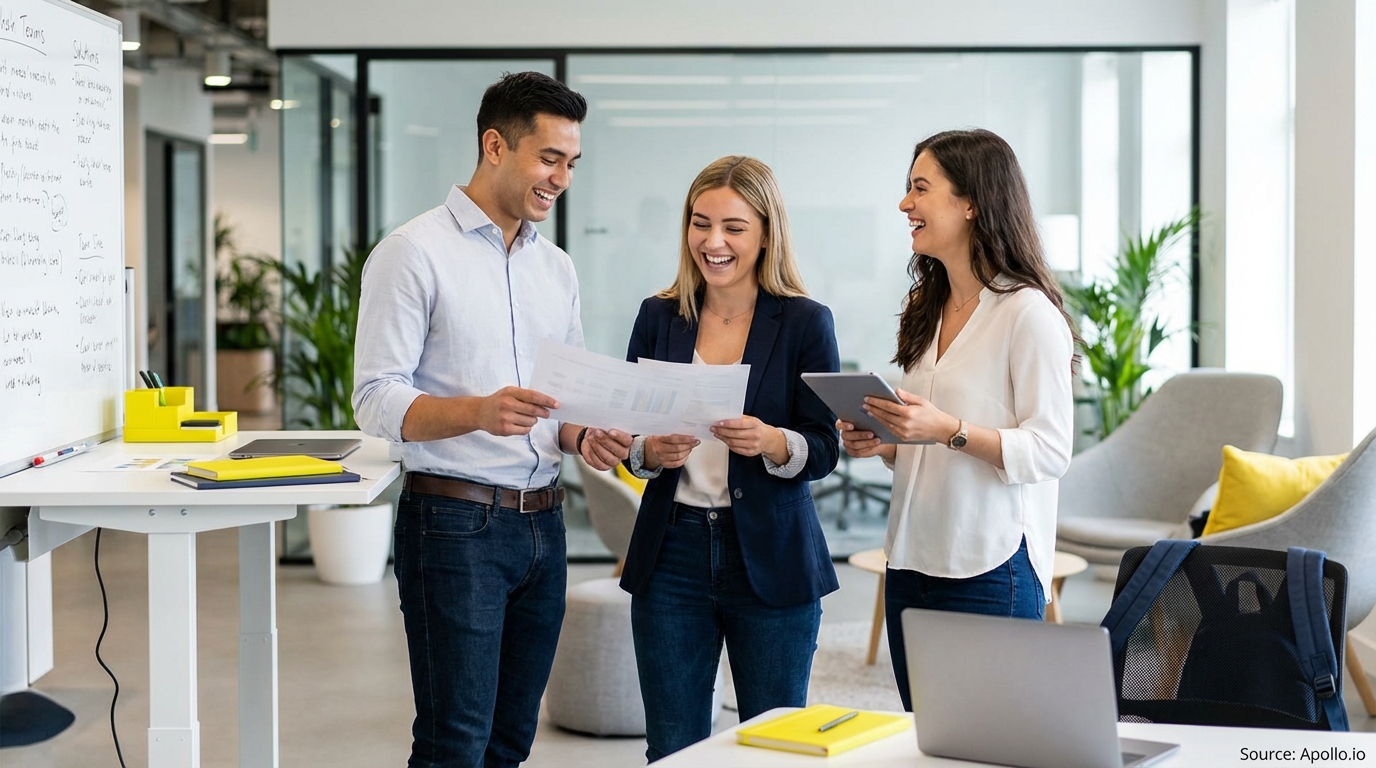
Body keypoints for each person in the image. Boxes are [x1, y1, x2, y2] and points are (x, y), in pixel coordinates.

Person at [352, 72, 632, 768]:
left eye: (572, 162)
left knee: (511, 741)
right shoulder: (412, 253)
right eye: (549, 158)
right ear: (495, 145)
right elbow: (374, 400)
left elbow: (559, 405)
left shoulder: (556, 269)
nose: (561, 177)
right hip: (455, 527)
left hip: (543, 523)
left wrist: (582, 434)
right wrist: (478, 411)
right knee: (456, 740)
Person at [838, 129, 1075, 711]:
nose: (904, 205)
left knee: (987, 739)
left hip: (990, 563)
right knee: (927, 735)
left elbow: (1049, 450)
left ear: (971, 203)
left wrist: (947, 429)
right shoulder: (928, 307)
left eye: (920, 189)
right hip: (913, 555)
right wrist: (887, 440)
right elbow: (925, 437)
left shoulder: (1029, 314)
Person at [620, 156, 842, 761]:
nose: (713, 242)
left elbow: (824, 446)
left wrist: (773, 442)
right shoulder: (658, 316)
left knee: (775, 748)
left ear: (766, 233)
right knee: (672, 747)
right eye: (700, 223)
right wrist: (647, 451)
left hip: (770, 553)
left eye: (734, 228)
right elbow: (630, 439)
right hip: (672, 552)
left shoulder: (805, 322)